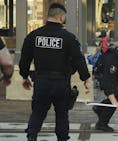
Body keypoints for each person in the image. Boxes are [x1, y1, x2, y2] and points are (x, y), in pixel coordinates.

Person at [18, 3, 91, 141]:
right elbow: (78, 59)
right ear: (61, 17)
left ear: (49, 15)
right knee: (62, 115)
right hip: (61, 83)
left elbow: (25, 58)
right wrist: (86, 79)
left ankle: (31, 137)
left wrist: (24, 76)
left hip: (41, 82)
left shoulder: (34, 35)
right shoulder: (68, 38)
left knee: (38, 113)